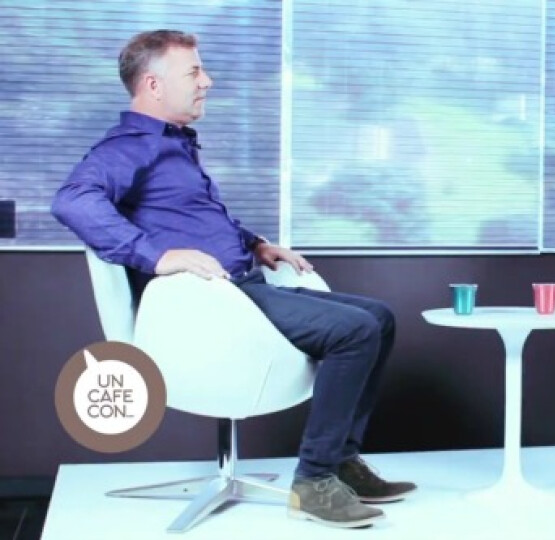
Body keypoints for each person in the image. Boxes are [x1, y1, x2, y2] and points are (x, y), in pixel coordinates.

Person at [51, 29, 415, 529]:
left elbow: (192, 218)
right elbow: (72, 201)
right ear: (153, 85)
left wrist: (255, 243)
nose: (207, 81)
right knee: (355, 330)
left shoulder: (173, 144)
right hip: (212, 307)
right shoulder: (129, 147)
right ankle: (314, 482)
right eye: (194, 72)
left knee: (379, 317)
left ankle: (341, 462)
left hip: (243, 289)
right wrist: (158, 256)